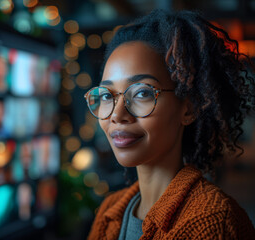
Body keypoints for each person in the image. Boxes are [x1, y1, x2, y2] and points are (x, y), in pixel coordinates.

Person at [86, 10, 255, 239]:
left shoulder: (213, 221)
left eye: (142, 93)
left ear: (188, 109)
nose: (117, 115)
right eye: (107, 96)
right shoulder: (109, 212)